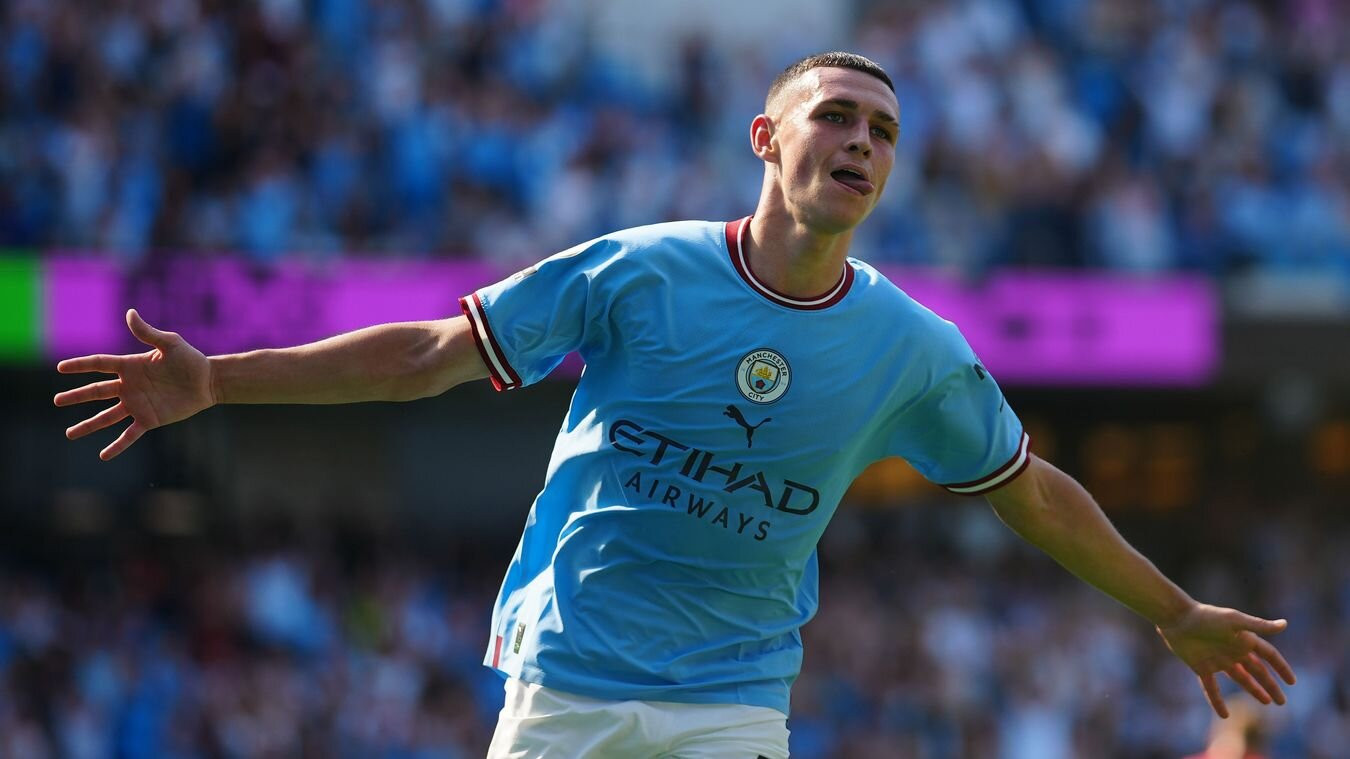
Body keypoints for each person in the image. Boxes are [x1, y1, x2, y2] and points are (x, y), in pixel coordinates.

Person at [55, 52, 1295, 757]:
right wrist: (220, 379)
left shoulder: (912, 350)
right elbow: (428, 354)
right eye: (836, 118)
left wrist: (1175, 609)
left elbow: (1030, 493)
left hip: (734, 703)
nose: (862, 144)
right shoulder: (640, 271)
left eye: (883, 132)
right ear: (766, 137)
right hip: (568, 680)